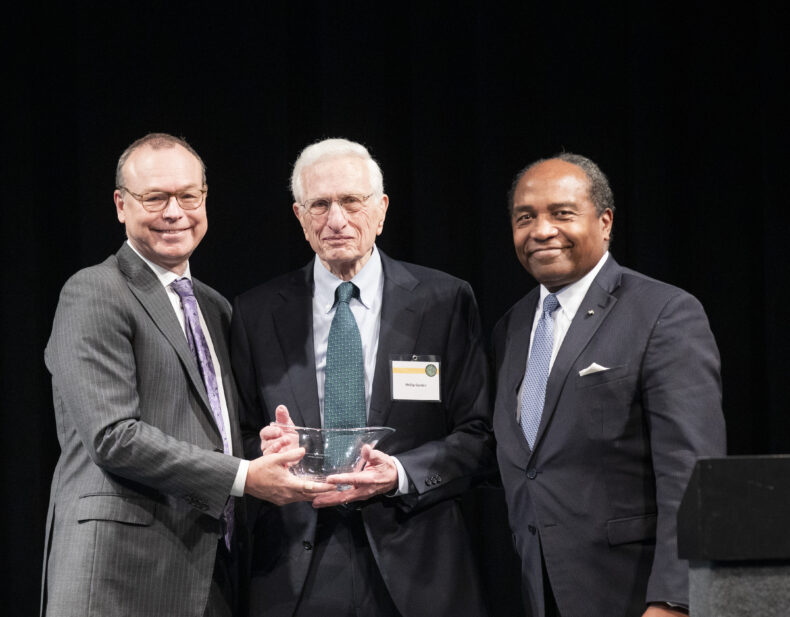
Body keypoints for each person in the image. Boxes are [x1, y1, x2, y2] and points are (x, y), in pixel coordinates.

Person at [41, 133, 320, 617]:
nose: (175, 212)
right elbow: (113, 436)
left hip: (207, 572)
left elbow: (212, 432)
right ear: (121, 205)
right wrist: (244, 476)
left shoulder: (215, 308)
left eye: (189, 196)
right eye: (156, 198)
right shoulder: (94, 291)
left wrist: (262, 450)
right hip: (117, 578)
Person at [231, 138, 495, 617]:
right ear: (299, 216)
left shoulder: (444, 301)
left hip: (418, 556)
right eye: (320, 205)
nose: (336, 220)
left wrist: (400, 474)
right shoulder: (255, 313)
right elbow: (240, 435)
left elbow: (479, 434)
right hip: (295, 565)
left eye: (351, 201)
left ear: (382, 210)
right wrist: (268, 451)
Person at [492, 153, 726, 617]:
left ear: (605, 222)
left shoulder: (663, 312)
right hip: (542, 592)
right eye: (525, 217)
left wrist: (675, 600)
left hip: (635, 595)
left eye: (562, 213)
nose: (541, 230)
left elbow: (692, 471)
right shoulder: (511, 328)